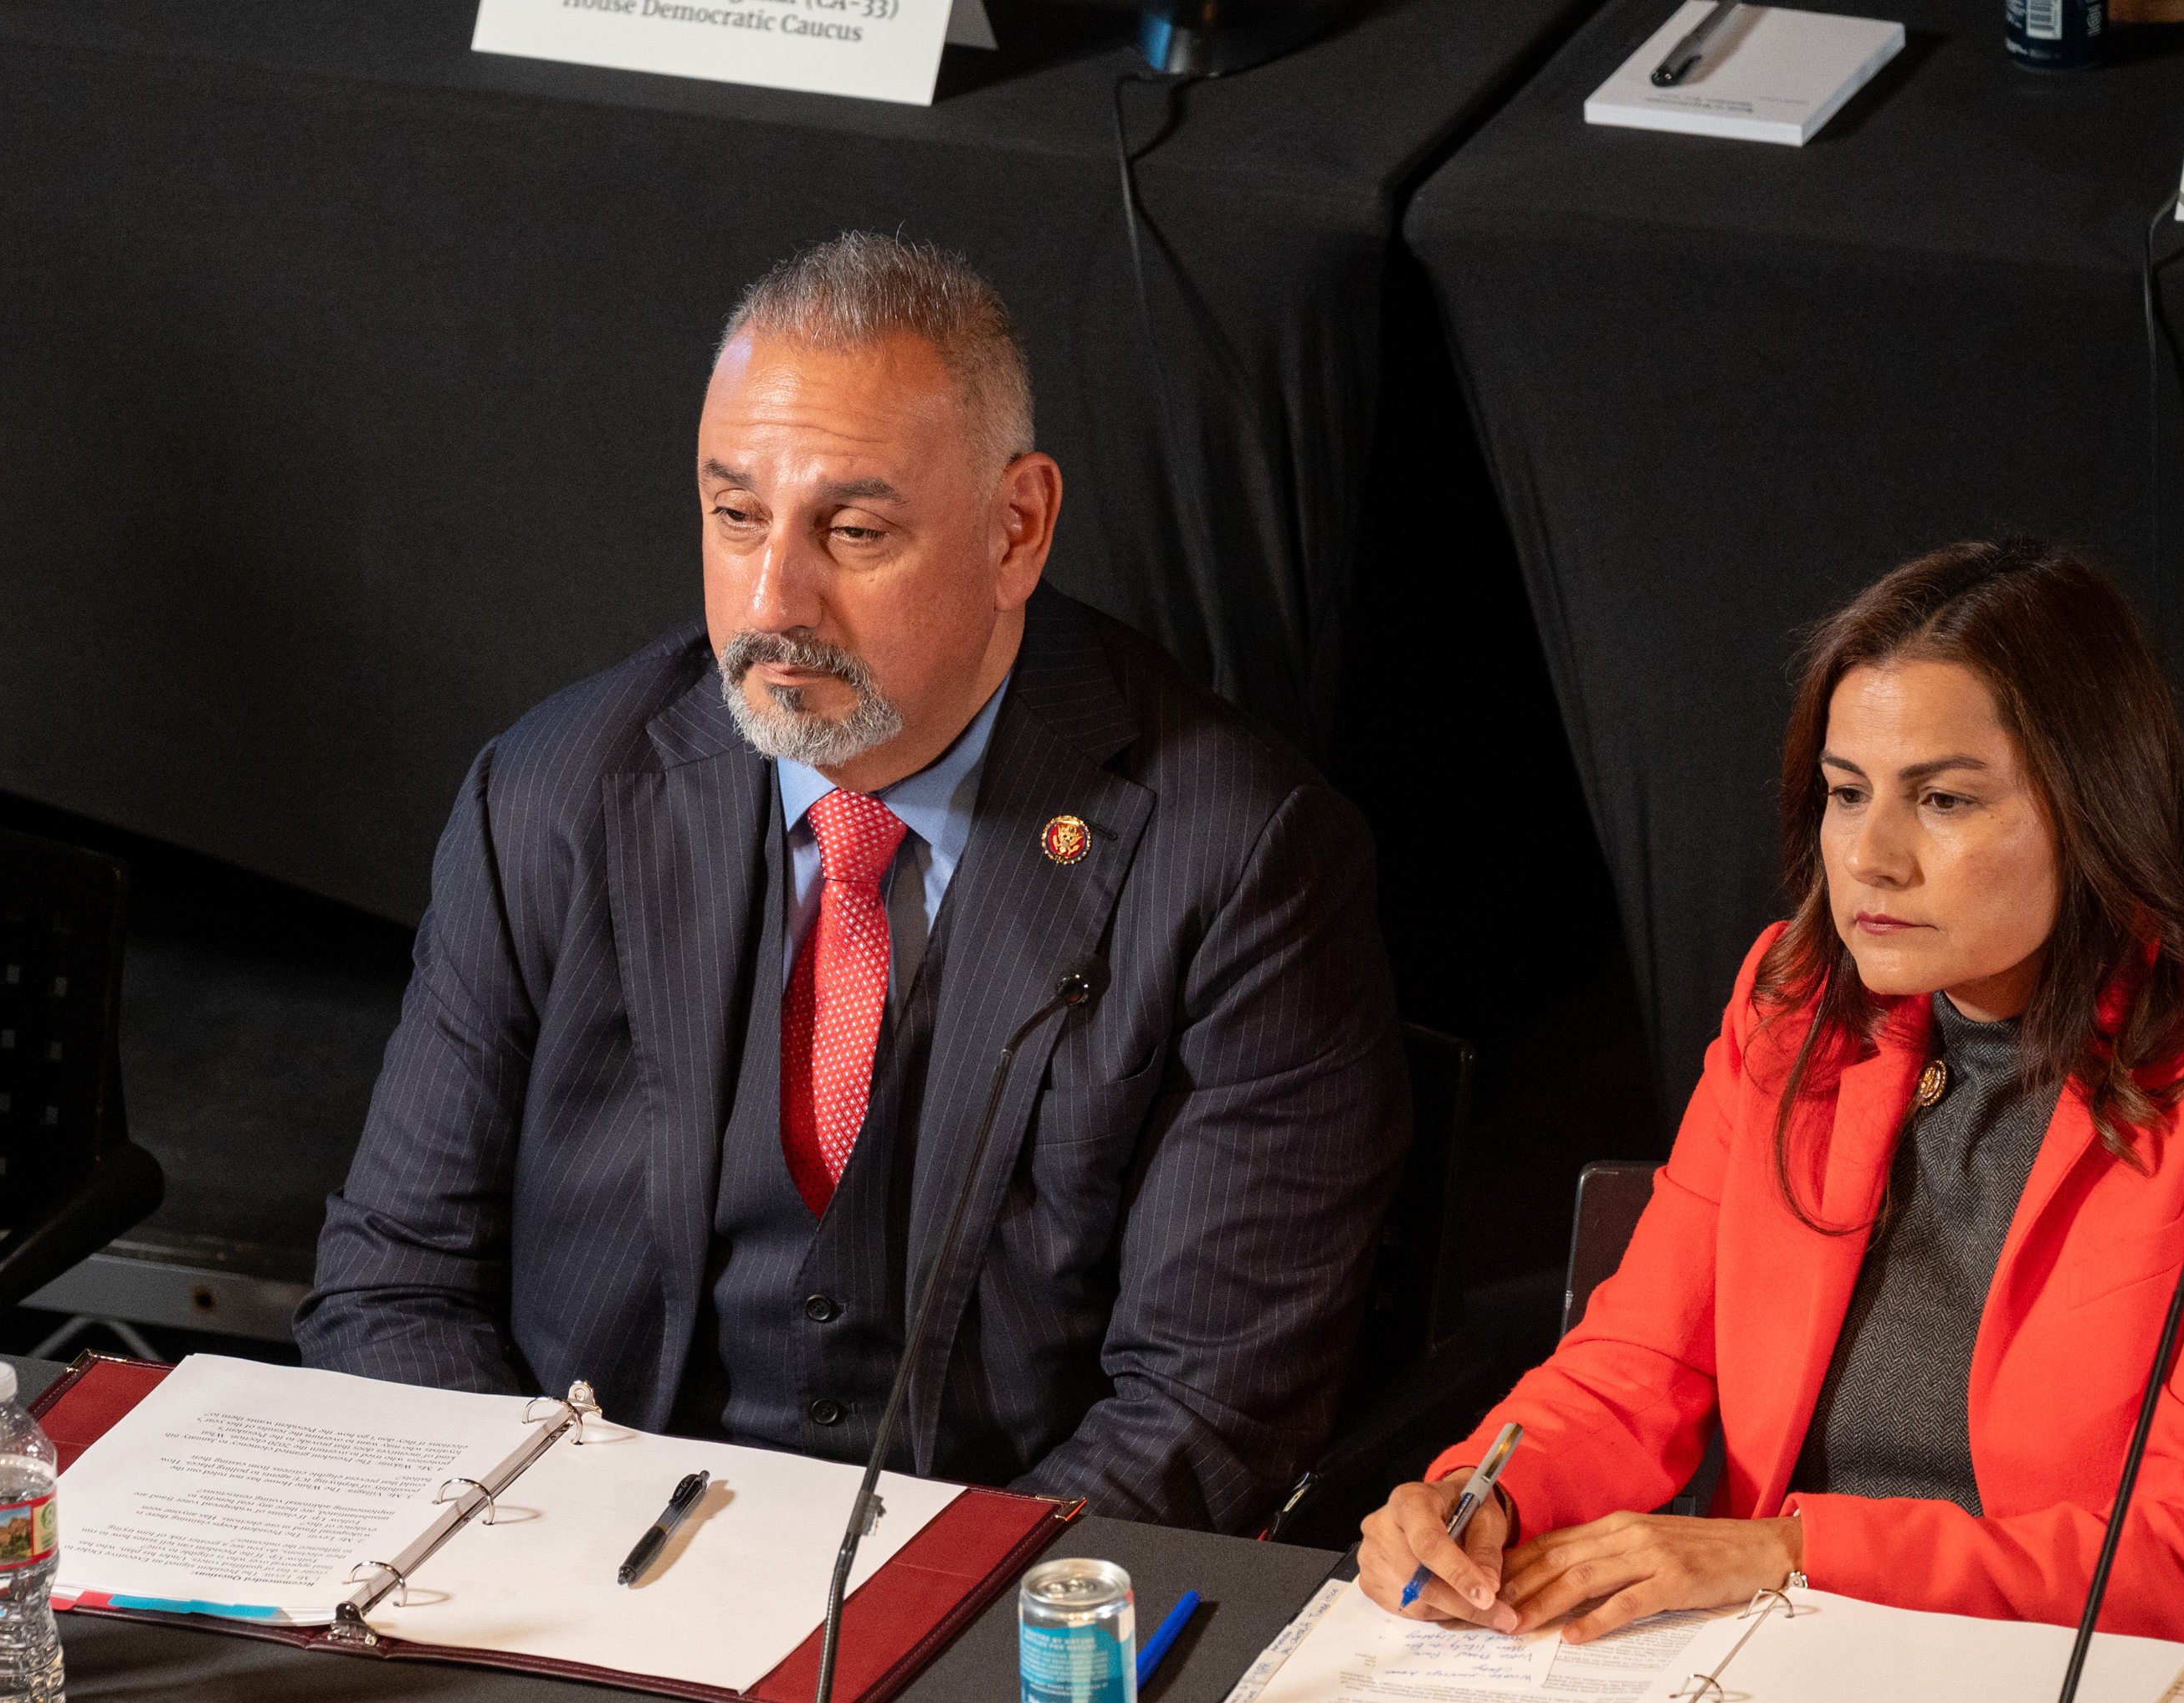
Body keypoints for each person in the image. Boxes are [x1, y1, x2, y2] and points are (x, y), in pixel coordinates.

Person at [299, 233, 1406, 1531]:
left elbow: (1206, 1415)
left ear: (1017, 528)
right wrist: (534, 1564)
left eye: (855, 529)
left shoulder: (1240, 859)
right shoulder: (554, 792)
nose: (775, 599)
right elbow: (392, 1281)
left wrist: (887, 1634)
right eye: (736, 516)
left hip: (976, 1625)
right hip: (574, 1585)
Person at [1364, 541, 2184, 1665]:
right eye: (1847, 794)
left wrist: (1790, 1551)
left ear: (2093, 808)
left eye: (1942, 798)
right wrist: (1480, 1496)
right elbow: (1637, 1365)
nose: (1871, 857)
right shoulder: (1793, 1009)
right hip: (1799, 1671)